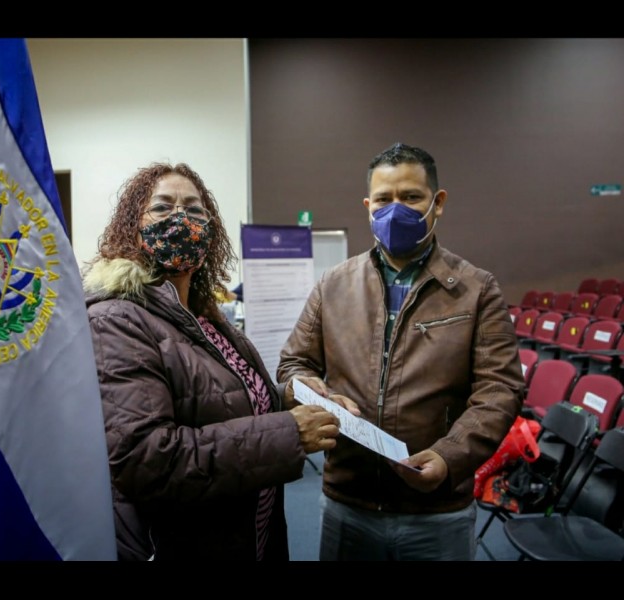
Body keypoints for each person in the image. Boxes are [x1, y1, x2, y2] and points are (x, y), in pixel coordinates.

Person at [276, 142, 525, 561]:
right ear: (368, 206)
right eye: (384, 199)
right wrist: (307, 386)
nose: (396, 211)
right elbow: (293, 363)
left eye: (411, 197)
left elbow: (501, 389)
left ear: (437, 203)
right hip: (348, 500)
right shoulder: (333, 284)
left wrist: (449, 456)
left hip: (437, 510)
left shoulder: (476, 289)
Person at [83, 162, 341, 561]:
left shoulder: (203, 315)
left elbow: (217, 400)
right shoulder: (117, 319)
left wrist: (285, 395)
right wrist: (288, 434)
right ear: (132, 226)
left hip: (247, 534)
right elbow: (148, 460)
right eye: (162, 207)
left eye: (194, 209)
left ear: (210, 230)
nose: (181, 219)